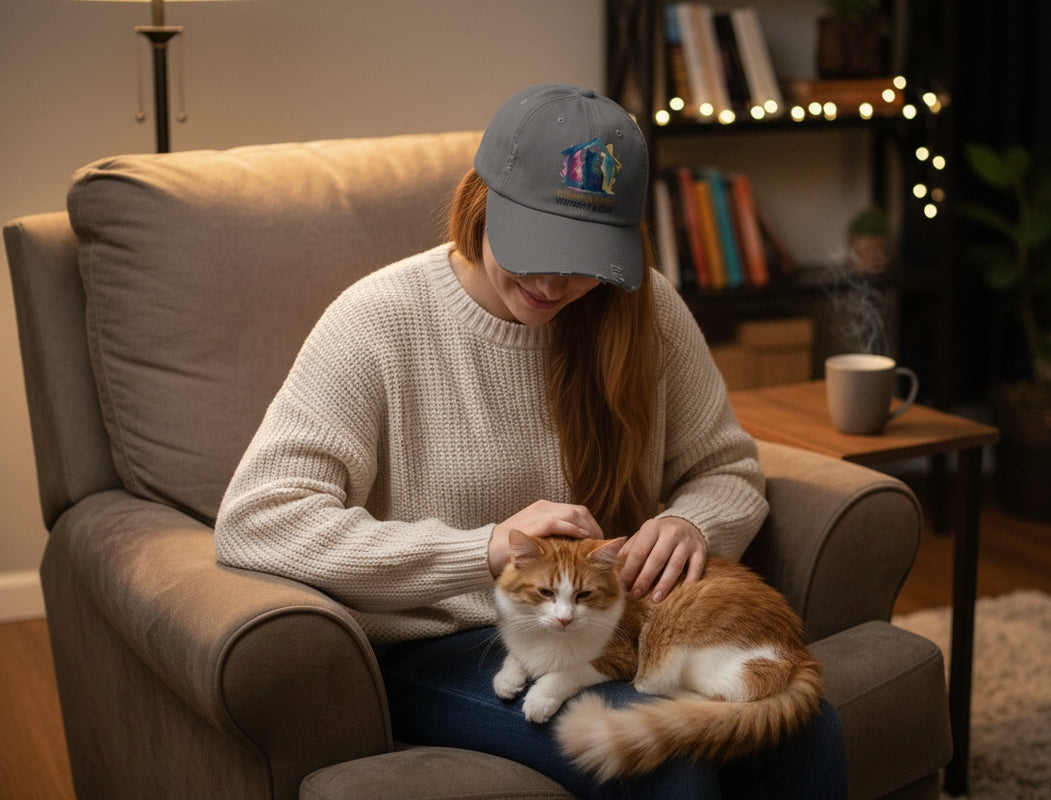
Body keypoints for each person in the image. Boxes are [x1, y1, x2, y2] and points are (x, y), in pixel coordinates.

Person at [214, 83, 846, 799]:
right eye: (533, 247)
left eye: (581, 258)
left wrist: (689, 522)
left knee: (807, 723)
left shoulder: (644, 310)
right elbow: (256, 521)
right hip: (444, 646)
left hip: (611, 624)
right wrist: (480, 550)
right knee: (675, 762)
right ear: (480, 204)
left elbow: (726, 467)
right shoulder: (378, 321)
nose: (551, 282)